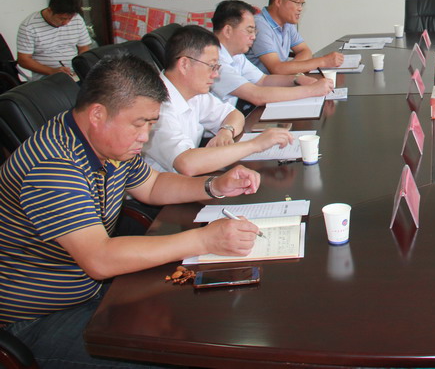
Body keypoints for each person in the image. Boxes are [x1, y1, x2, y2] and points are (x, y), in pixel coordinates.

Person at [0, 54, 264, 368]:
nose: (145, 136)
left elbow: (152, 185)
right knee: (181, 355)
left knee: (204, 315)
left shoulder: (105, 143)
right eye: (140, 124)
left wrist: (214, 185)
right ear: (97, 114)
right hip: (36, 319)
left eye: (151, 124)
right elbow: (99, 259)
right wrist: (204, 240)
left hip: (92, 290)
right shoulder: (53, 167)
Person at [142, 25, 294, 176]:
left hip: (190, 179)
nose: (215, 75)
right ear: (184, 64)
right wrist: (256, 145)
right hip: (167, 188)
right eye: (211, 66)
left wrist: (226, 131)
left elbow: (234, 114)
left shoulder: (194, 92)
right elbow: (187, 164)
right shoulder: (156, 107)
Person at [211, 0, 333, 107]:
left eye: (254, 31)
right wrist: (312, 90)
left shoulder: (236, 55)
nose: (253, 37)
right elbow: (256, 95)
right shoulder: (215, 62)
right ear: (228, 31)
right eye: (249, 31)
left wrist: (297, 79)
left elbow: (263, 80)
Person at [247, 0, 344, 75]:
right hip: (259, 84)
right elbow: (276, 69)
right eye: (297, 2)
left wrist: (290, 68)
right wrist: (323, 61)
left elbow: (305, 51)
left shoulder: (287, 23)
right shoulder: (259, 26)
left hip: (279, 80)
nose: (300, 8)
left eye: (302, 3)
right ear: (279, 1)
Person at [16, 0, 92, 79]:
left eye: (70, 18)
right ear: (49, 10)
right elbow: (24, 60)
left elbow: (83, 48)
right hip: (46, 77)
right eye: (62, 18)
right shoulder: (29, 26)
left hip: (74, 74)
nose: (66, 23)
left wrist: (81, 68)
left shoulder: (77, 19)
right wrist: (52, 71)